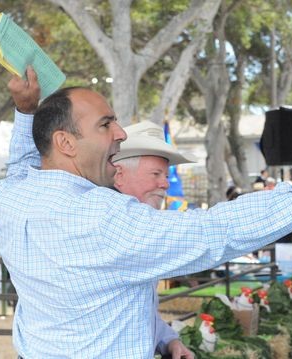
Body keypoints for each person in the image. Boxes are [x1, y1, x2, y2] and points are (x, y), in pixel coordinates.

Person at [0, 67, 292, 358]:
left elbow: (25, 164)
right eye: (105, 124)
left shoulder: (9, 196)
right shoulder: (101, 218)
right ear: (65, 142)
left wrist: (26, 113)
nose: (119, 134)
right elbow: (213, 232)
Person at [112, 120, 195, 359]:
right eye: (156, 174)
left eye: (166, 175)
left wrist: (168, 340)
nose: (166, 183)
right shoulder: (117, 228)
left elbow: (138, 311)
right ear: (119, 175)